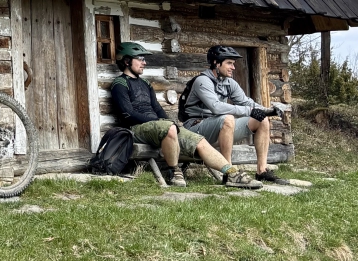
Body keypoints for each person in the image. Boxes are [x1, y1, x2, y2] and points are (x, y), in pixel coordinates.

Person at [111, 42, 262, 189]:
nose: (144, 62)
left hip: (160, 126)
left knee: (199, 141)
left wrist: (167, 121)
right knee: (170, 128)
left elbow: (157, 108)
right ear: (126, 61)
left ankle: (232, 174)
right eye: (140, 59)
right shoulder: (120, 83)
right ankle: (173, 172)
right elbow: (127, 114)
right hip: (135, 129)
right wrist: (161, 122)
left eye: (144, 59)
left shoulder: (145, 84)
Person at [182, 45, 289, 185]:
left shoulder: (229, 82)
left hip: (216, 127)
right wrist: (248, 111)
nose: (233, 67)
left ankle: (262, 171)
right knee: (227, 118)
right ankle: (229, 172)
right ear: (216, 62)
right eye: (229, 63)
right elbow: (216, 107)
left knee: (261, 120)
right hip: (195, 128)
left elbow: (246, 102)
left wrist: (268, 110)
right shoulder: (202, 81)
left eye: (233, 64)